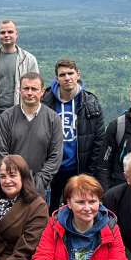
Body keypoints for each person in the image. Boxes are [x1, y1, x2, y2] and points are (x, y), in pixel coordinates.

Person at [40, 58, 106, 208]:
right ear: (56, 79)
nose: (67, 78)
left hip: (79, 170)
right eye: (62, 75)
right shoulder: (44, 102)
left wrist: (89, 174)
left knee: (77, 211)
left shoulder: (91, 103)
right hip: (51, 171)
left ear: (78, 75)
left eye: (70, 73)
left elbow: (98, 141)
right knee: (49, 212)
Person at [0, 72, 63, 200]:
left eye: (34, 89)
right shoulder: (6, 117)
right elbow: (1, 154)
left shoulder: (53, 119)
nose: (30, 93)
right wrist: (15, 178)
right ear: (19, 90)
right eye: (26, 88)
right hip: (10, 187)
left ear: (42, 91)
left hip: (41, 188)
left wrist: (38, 181)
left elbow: (55, 156)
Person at [0, 19, 40, 118]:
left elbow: (36, 90)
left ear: (16, 34)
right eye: (2, 32)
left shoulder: (29, 59)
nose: (6, 35)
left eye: (10, 32)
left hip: (20, 115)